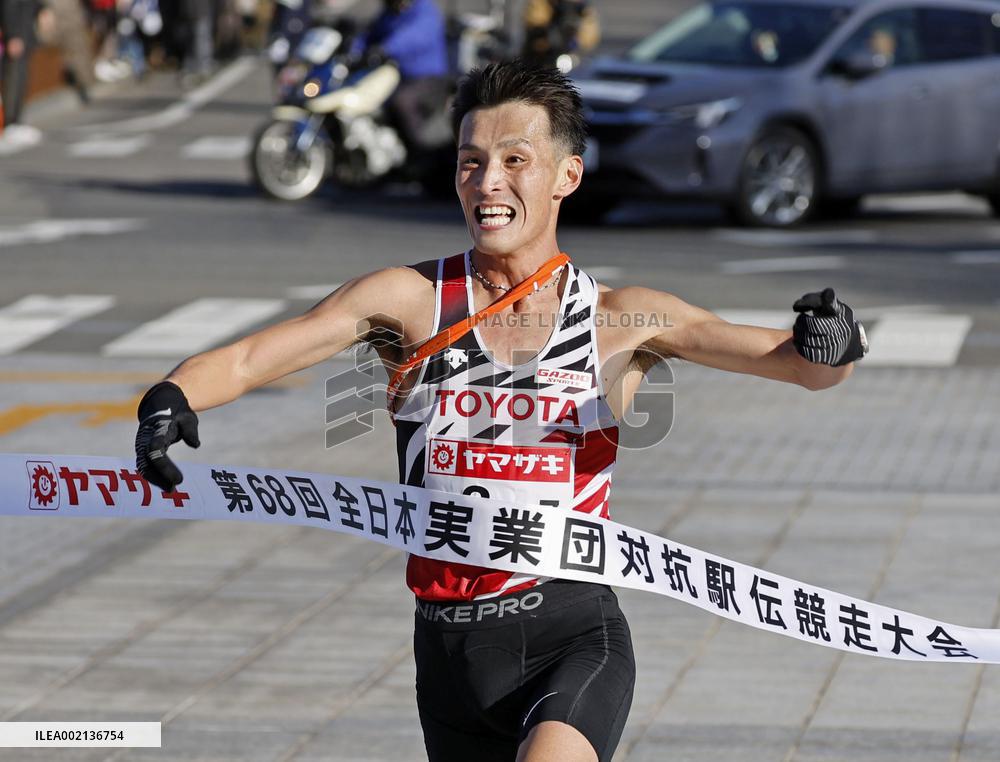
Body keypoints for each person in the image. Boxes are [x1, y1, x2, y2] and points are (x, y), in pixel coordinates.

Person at [133, 60, 868, 762]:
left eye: (516, 160)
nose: (488, 182)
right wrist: (170, 398)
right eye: (470, 161)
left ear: (566, 177)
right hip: (445, 653)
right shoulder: (409, 302)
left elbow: (797, 365)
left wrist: (829, 342)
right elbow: (252, 359)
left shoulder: (621, 319)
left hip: (572, 639)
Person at [353, 0, 449, 150]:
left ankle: (420, 151)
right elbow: (371, 34)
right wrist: (354, 51)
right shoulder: (390, 12)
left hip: (427, 77)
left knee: (402, 100)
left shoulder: (424, 9)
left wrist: (385, 49)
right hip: (397, 76)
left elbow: (413, 36)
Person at [0, 0, 42, 145]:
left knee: (21, 77)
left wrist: (43, 8)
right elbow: (8, 5)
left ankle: (16, 121)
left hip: (24, 32)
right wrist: (13, 34)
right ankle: (10, 122)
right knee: (14, 78)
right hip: (16, 35)